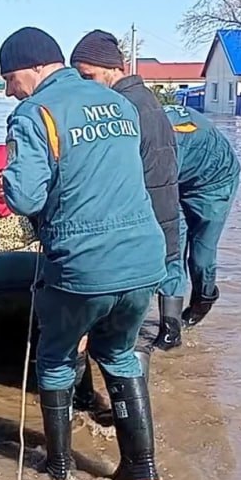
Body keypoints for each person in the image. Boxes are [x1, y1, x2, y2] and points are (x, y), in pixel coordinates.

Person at [0, 26, 166, 480]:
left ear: (34, 67)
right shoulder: (119, 103)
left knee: (54, 360)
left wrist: (10, 178)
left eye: (11, 79)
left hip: (83, 263)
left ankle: (59, 472)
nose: (10, 92)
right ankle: (143, 474)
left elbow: (27, 196)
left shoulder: (34, 114)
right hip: (144, 257)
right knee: (118, 354)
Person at [70, 29, 184, 348]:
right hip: (157, 224)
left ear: (112, 69)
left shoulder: (122, 108)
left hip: (140, 230)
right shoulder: (144, 100)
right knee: (125, 332)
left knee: (118, 339)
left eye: (88, 75)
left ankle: (98, 396)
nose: (85, 85)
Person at [160, 102, 241, 338]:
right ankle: (170, 327)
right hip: (176, 181)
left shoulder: (165, 141)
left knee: (201, 257)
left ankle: (203, 299)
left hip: (214, 183)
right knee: (171, 249)